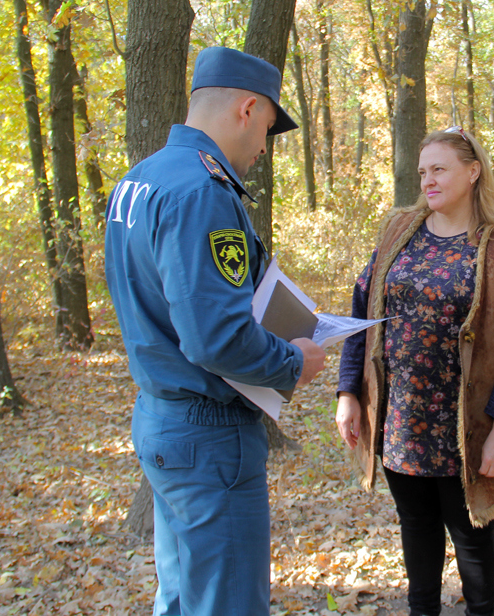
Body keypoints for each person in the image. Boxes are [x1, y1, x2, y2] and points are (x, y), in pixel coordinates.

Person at [105, 47, 326, 616]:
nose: (262, 150)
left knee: (181, 598)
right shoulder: (203, 192)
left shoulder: (141, 178)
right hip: (208, 435)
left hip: (161, 416)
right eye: (268, 131)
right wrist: (294, 360)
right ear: (248, 109)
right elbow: (215, 339)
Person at [335, 127, 494, 616]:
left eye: (440, 169)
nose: (427, 180)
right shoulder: (398, 232)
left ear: (473, 173)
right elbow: (361, 312)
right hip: (402, 421)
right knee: (416, 529)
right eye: (423, 171)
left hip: (465, 426)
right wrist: (348, 392)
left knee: (472, 537)